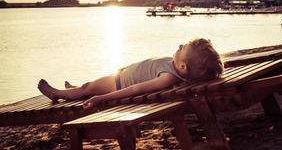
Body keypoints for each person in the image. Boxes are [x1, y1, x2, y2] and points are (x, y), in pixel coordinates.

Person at [38, 38, 223, 109]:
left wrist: (101, 99)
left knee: (88, 88)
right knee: (88, 85)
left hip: (119, 83)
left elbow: (136, 88)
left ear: (183, 67)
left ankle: (59, 94)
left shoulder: (168, 77)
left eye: (183, 48)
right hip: (121, 75)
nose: (180, 45)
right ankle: (75, 90)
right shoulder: (176, 67)